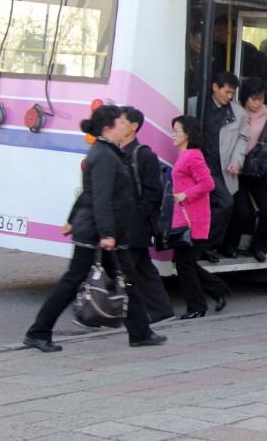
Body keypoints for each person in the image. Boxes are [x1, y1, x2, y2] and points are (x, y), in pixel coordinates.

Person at [23, 105, 167, 352]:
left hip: (109, 232)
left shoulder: (110, 152)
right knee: (73, 280)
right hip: (96, 233)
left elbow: (90, 193)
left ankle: (140, 332)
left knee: (128, 278)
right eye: (121, 122)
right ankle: (39, 331)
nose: (126, 126)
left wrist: (75, 219)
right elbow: (99, 197)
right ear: (108, 128)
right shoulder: (103, 155)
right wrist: (106, 233)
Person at [170, 115, 230, 319]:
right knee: (185, 262)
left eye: (176, 130)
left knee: (184, 263)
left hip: (193, 220)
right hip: (185, 218)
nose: (173, 134)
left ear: (188, 134)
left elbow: (208, 183)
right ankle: (218, 289)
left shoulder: (192, 156)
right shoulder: (185, 155)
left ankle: (196, 307)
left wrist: (184, 195)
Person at [121, 105, 175, 324]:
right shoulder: (117, 152)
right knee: (143, 270)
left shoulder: (144, 155)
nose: (116, 126)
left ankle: (99, 313)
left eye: (121, 122)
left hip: (134, 226)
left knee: (123, 271)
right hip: (126, 224)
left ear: (134, 127)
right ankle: (162, 312)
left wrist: (136, 218)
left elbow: (153, 193)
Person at [222, 78, 267, 263]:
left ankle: (259, 248)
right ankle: (229, 246)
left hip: (255, 171)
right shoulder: (234, 110)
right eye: (254, 99)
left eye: (261, 99)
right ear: (245, 96)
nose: (257, 103)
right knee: (242, 211)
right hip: (235, 169)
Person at [199, 71, 249, 259]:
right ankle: (202, 245)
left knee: (226, 203)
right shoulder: (197, 105)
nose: (229, 97)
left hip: (222, 169)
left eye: (232, 94)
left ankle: (206, 245)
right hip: (201, 167)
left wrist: (237, 161)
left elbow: (243, 139)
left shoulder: (238, 113)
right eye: (226, 92)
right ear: (214, 87)